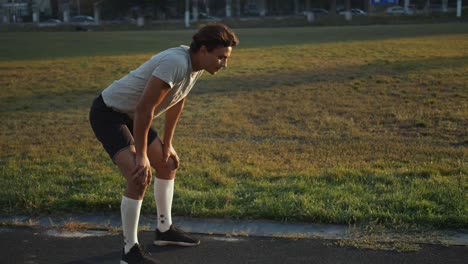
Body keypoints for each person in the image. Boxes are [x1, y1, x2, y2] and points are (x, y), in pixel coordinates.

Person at [89, 23, 239, 264]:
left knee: (167, 163)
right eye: (221, 57)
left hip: (132, 116)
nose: (224, 64)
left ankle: (164, 230)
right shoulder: (176, 63)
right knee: (139, 175)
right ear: (203, 50)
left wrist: (167, 143)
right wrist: (141, 156)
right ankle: (130, 252)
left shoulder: (195, 66)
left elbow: (177, 100)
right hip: (109, 114)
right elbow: (144, 109)